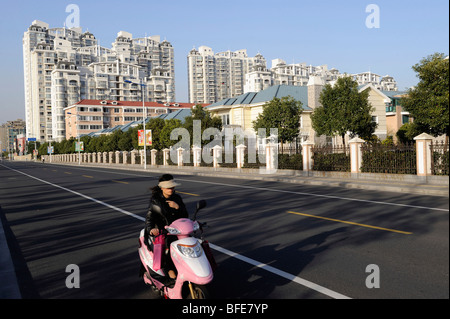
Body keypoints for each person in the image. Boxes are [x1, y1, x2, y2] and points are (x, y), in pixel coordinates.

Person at [144, 174, 188, 280]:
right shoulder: (156, 200)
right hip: (163, 233)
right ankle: (170, 273)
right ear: (162, 188)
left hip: (178, 231)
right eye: (168, 187)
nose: (171, 189)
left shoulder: (177, 198)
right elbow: (149, 219)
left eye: (172, 187)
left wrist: (177, 207)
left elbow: (185, 216)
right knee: (168, 253)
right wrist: (151, 230)